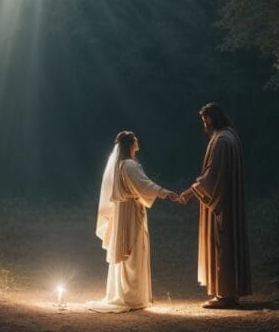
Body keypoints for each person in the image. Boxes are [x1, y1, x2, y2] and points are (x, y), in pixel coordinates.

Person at [88, 131, 178, 313]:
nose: (138, 142)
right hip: (130, 212)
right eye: (135, 140)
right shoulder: (129, 165)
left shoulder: (121, 165)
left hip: (123, 211)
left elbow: (140, 184)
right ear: (131, 144)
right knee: (133, 250)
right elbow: (144, 184)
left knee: (126, 248)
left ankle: (124, 292)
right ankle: (132, 296)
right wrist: (164, 192)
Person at [178, 103, 252, 309]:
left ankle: (225, 294)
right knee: (227, 243)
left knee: (223, 243)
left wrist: (190, 192)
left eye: (204, 121)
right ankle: (230, 292)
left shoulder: (221, 141)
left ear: (209, 119)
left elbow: (212, 176)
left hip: (223, 204)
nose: (204, 125)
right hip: (229, 200)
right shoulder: (230, 136)